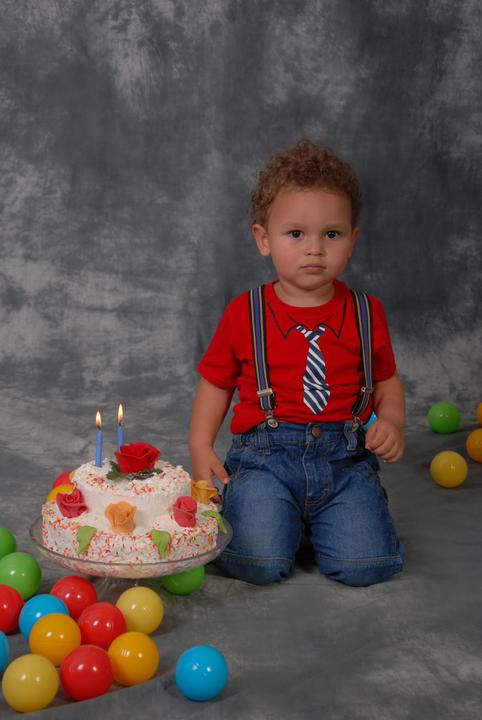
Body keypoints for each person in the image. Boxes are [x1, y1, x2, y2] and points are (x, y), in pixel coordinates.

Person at [189, 139, 405, 586]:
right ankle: (280, 519)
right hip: (266, 460)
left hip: (345, 462)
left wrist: (392, 422)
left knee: (367, 565)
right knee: (255, 562)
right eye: (296, 234)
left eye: (331, 234)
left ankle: (314, 522)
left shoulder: (366, 312)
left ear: (352, 240)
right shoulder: (245, 312)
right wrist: (200, 444)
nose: (314, 249)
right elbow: (216, 382)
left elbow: (386, 380)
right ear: (263, 239)